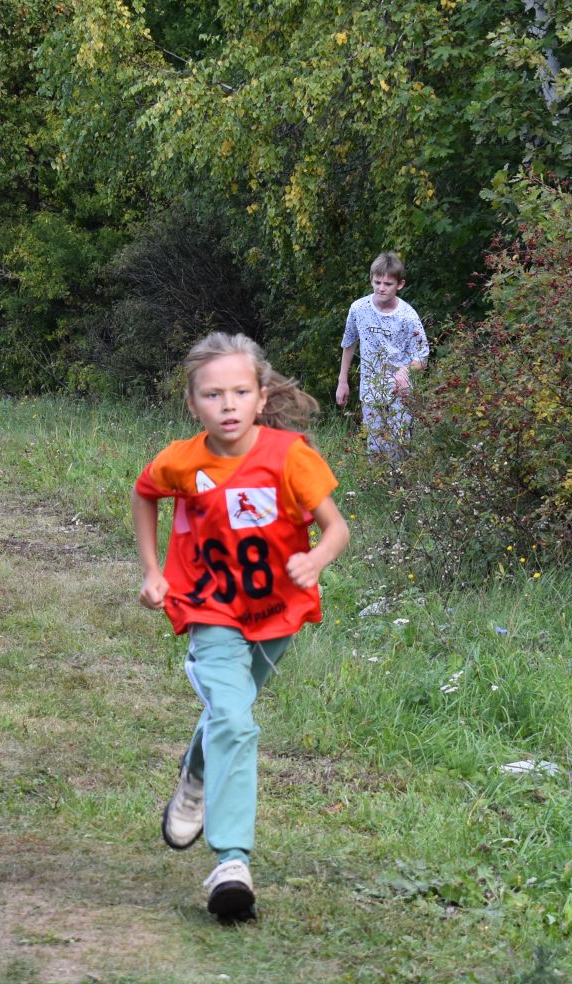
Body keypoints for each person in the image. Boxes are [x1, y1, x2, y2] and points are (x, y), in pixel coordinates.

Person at [132, 332, 349, 923]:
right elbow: (145, 492)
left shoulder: (289, 456)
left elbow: (336, 528)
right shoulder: (183, 460)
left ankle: (196, 774)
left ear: (260, 397)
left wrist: (317, 558)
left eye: (239, 392)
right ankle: (232, 859)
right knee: (236, 719)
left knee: (227, 716)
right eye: (212, 394)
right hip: (210, 610)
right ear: (193, 403)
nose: (226, 405)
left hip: (277, 614)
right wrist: (153, 572)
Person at [334, 251, 430, 456]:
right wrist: (343, 380)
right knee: (376, 448)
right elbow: (348, 343)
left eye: (387, 284)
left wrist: (405, 370)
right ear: (371, 280)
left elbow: (422, 356)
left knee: (400, 448)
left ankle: (401, 488)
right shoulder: (358, 309)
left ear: (400, 285)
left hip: (400, 391)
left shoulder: (407, 316)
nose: (381, 288)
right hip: (371, 389)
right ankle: (378, 488)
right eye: (377, 282)